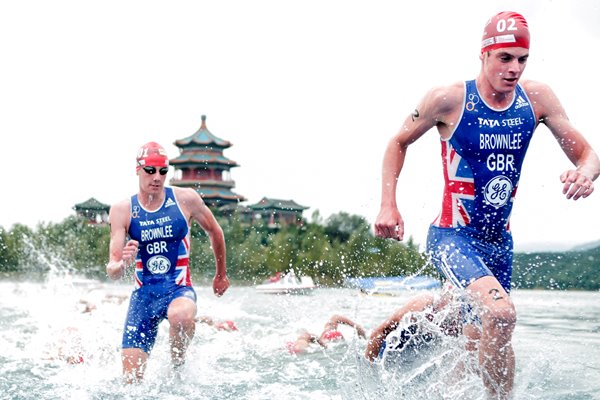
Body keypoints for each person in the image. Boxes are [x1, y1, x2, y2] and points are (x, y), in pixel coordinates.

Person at [374, 11, 600, 399]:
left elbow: (588, 154)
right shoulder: (448, 100)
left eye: (522, 59)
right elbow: (398, 142)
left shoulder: (537, 98)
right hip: (452, 236)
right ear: (484, 54)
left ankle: (471, 380)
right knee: (501, 314)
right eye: (505, 58)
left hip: (499, 244)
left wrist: (585, 173)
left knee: (480, 336)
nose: (514, 69)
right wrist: (388, 206)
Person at [106, 141, 230, 383]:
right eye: (150, 171)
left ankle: (178, 370)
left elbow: (215, 232)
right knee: (131, 384)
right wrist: (121, 264)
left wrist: (221, 274)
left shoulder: (186, 199)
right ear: (138, 170)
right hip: (144, 297)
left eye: (163, 171)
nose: (157, 177)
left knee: (181, 317)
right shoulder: (122, 210)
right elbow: (112, 269)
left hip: (178, 288)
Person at [286, 314, 367, 354]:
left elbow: (335, 317)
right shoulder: (327, 335)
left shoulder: (327, 334)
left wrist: (358, 328)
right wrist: (358, 329)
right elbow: (336, 317)